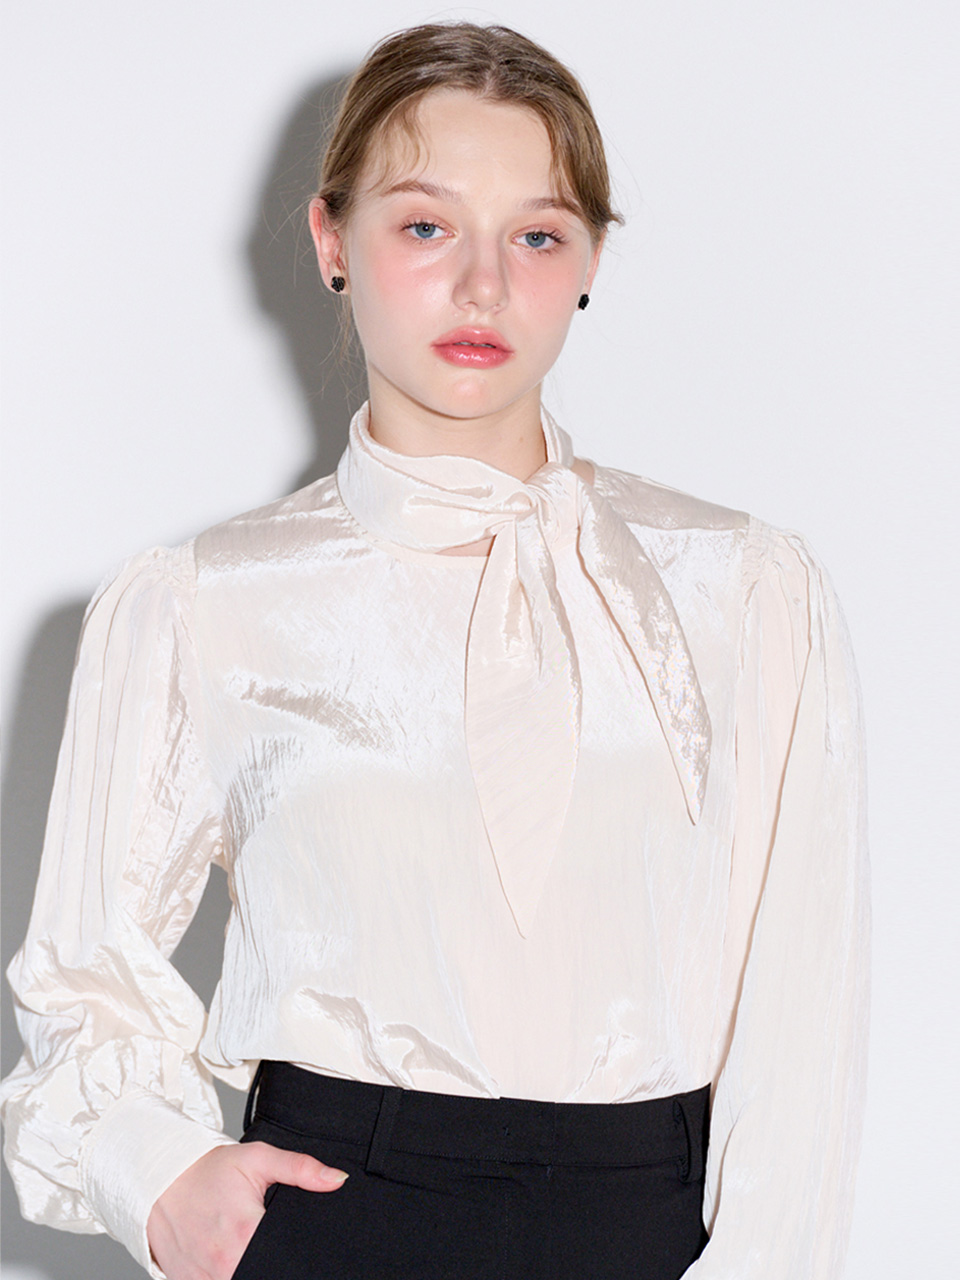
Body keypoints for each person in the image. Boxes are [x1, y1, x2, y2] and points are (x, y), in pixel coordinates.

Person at [0, 21, 869, 1280]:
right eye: (424, 226)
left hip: (654, 1228)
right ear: (330, 240)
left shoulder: (744, 590)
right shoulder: (201, 603)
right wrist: (159, 1179)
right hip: (333, 1218)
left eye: (537, 235)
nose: (482, 286)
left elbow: (803, 1019)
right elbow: (82, 979)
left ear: (590, 258)